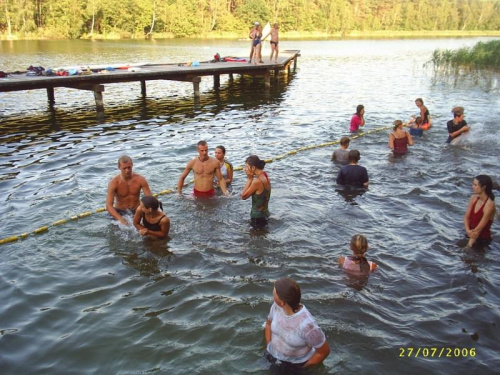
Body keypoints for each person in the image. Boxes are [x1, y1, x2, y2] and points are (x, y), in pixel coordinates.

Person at [264, 278, 330, 371]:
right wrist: (268, 344)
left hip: (295, 364)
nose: (272, 294)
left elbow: (324, 352)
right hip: (272, 354)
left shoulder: (308, 326)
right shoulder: (276, 307)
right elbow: (268, 324)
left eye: (274, 293)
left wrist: (302, 369)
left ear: (282, 302)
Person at [106, 155, 152, 225]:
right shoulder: (114, 183)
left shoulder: (140, 180)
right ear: (119, 167)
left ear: (132, 165)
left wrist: (150, 211)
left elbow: (149, 199)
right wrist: (120, 219)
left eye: (129, 167)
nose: (127, 171)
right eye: (124, 168)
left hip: (137, 209)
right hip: (120, 211)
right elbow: (109, 206)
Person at [464, 175, 496, 247]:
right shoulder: (473, 198)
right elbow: (466, 217)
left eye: (475, 185)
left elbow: (478, 230)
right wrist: (468, 231)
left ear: (483, 187)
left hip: (482, 240)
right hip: (470, 234)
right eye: (473, 184)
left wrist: (468, 246)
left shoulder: (489, 205)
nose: (472, 187)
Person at [241, 155, 271, 227]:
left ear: (253, 167)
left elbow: (243, 196)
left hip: (257, 217)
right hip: (265, 213)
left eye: (246, 167)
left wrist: (249, 179)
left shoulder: (257, 182)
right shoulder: (265, 176)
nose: (245, 169)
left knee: (254, 237)